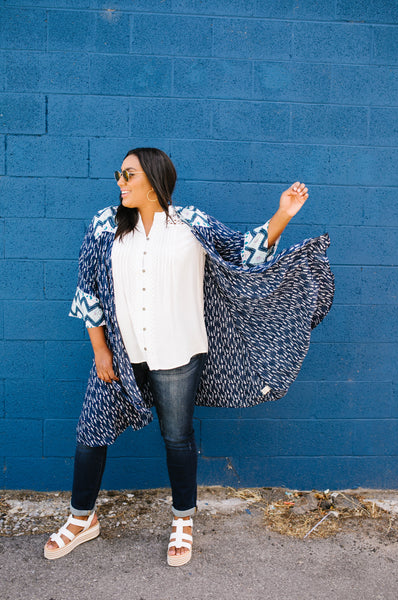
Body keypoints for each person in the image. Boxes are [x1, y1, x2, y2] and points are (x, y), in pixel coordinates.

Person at [44, 147, 334, 566]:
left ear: (156, 180)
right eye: (119, 175)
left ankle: (183, 520)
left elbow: (243, 254)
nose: (120, 183)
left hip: (178, 351)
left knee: (177, 438)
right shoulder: (104, 225)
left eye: (129, 175)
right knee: (91, 432)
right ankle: (81, 518)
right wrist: (100, 350)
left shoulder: (191, 224)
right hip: (121, 355)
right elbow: (87, 291)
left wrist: (282, 214)